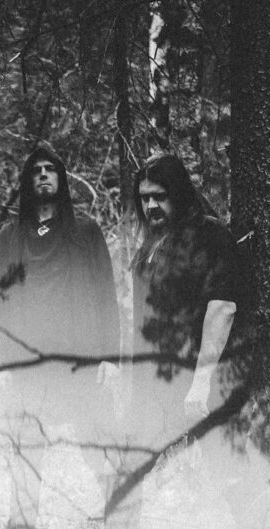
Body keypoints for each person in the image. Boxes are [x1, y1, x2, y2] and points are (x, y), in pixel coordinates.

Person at [0, 146, 120, 528]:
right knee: (27, 448)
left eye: (50, 169)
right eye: (36, 170)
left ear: (61, 179)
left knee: (98, 444)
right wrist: (1, 366)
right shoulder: (10, 237)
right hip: (29, 365)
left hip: (81, 361)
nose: (43, 175)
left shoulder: (86, 232)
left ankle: (121, 515)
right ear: (27, 181)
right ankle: (21, 522)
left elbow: (106, 294)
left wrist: (110, 357)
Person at [126, 153, 243, 527]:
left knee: (233, 487)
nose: (150, 206)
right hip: (155, 389)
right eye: (144, 198)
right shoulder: (150, 246)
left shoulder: (211, 236)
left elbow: (222, 308)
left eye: (159, 196)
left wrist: (201, 383)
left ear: (177, 192)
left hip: (202, 387)